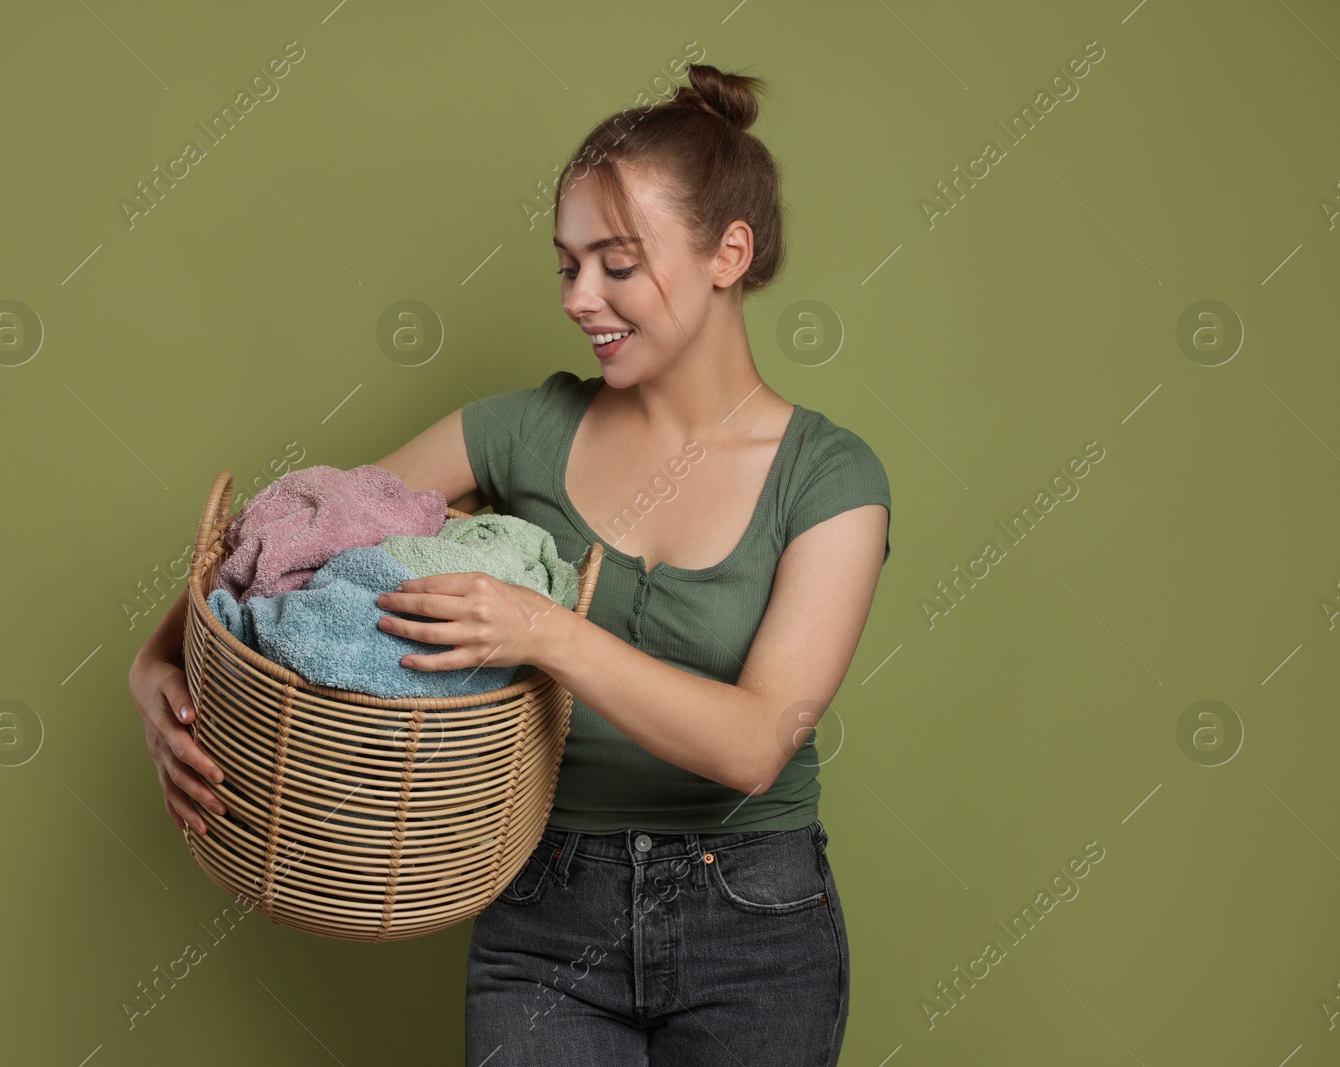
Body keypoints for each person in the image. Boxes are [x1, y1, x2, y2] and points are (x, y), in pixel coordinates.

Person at [130, 63, 890, 1067]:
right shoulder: (524, 430)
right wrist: (156, 663)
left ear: (728, 253)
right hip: (544, 906)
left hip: (752, 917)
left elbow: (758, 742)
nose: (580, 297)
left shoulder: (830, 477)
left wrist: (544, 632)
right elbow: (302, 532)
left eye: (617, 264)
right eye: (566, 265)